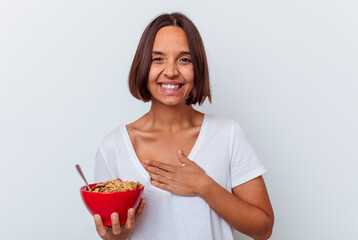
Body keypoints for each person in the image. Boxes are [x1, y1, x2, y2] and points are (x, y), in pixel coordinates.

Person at [93, 12, 274, 240]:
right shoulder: (114, 147)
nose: (170, 71)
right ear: (142, 66)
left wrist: (205, 186)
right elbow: (113, 232)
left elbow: (263, 228)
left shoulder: (228, 134)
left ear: (197, 68)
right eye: (157, 59)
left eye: (184, 59)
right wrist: (116, 236)